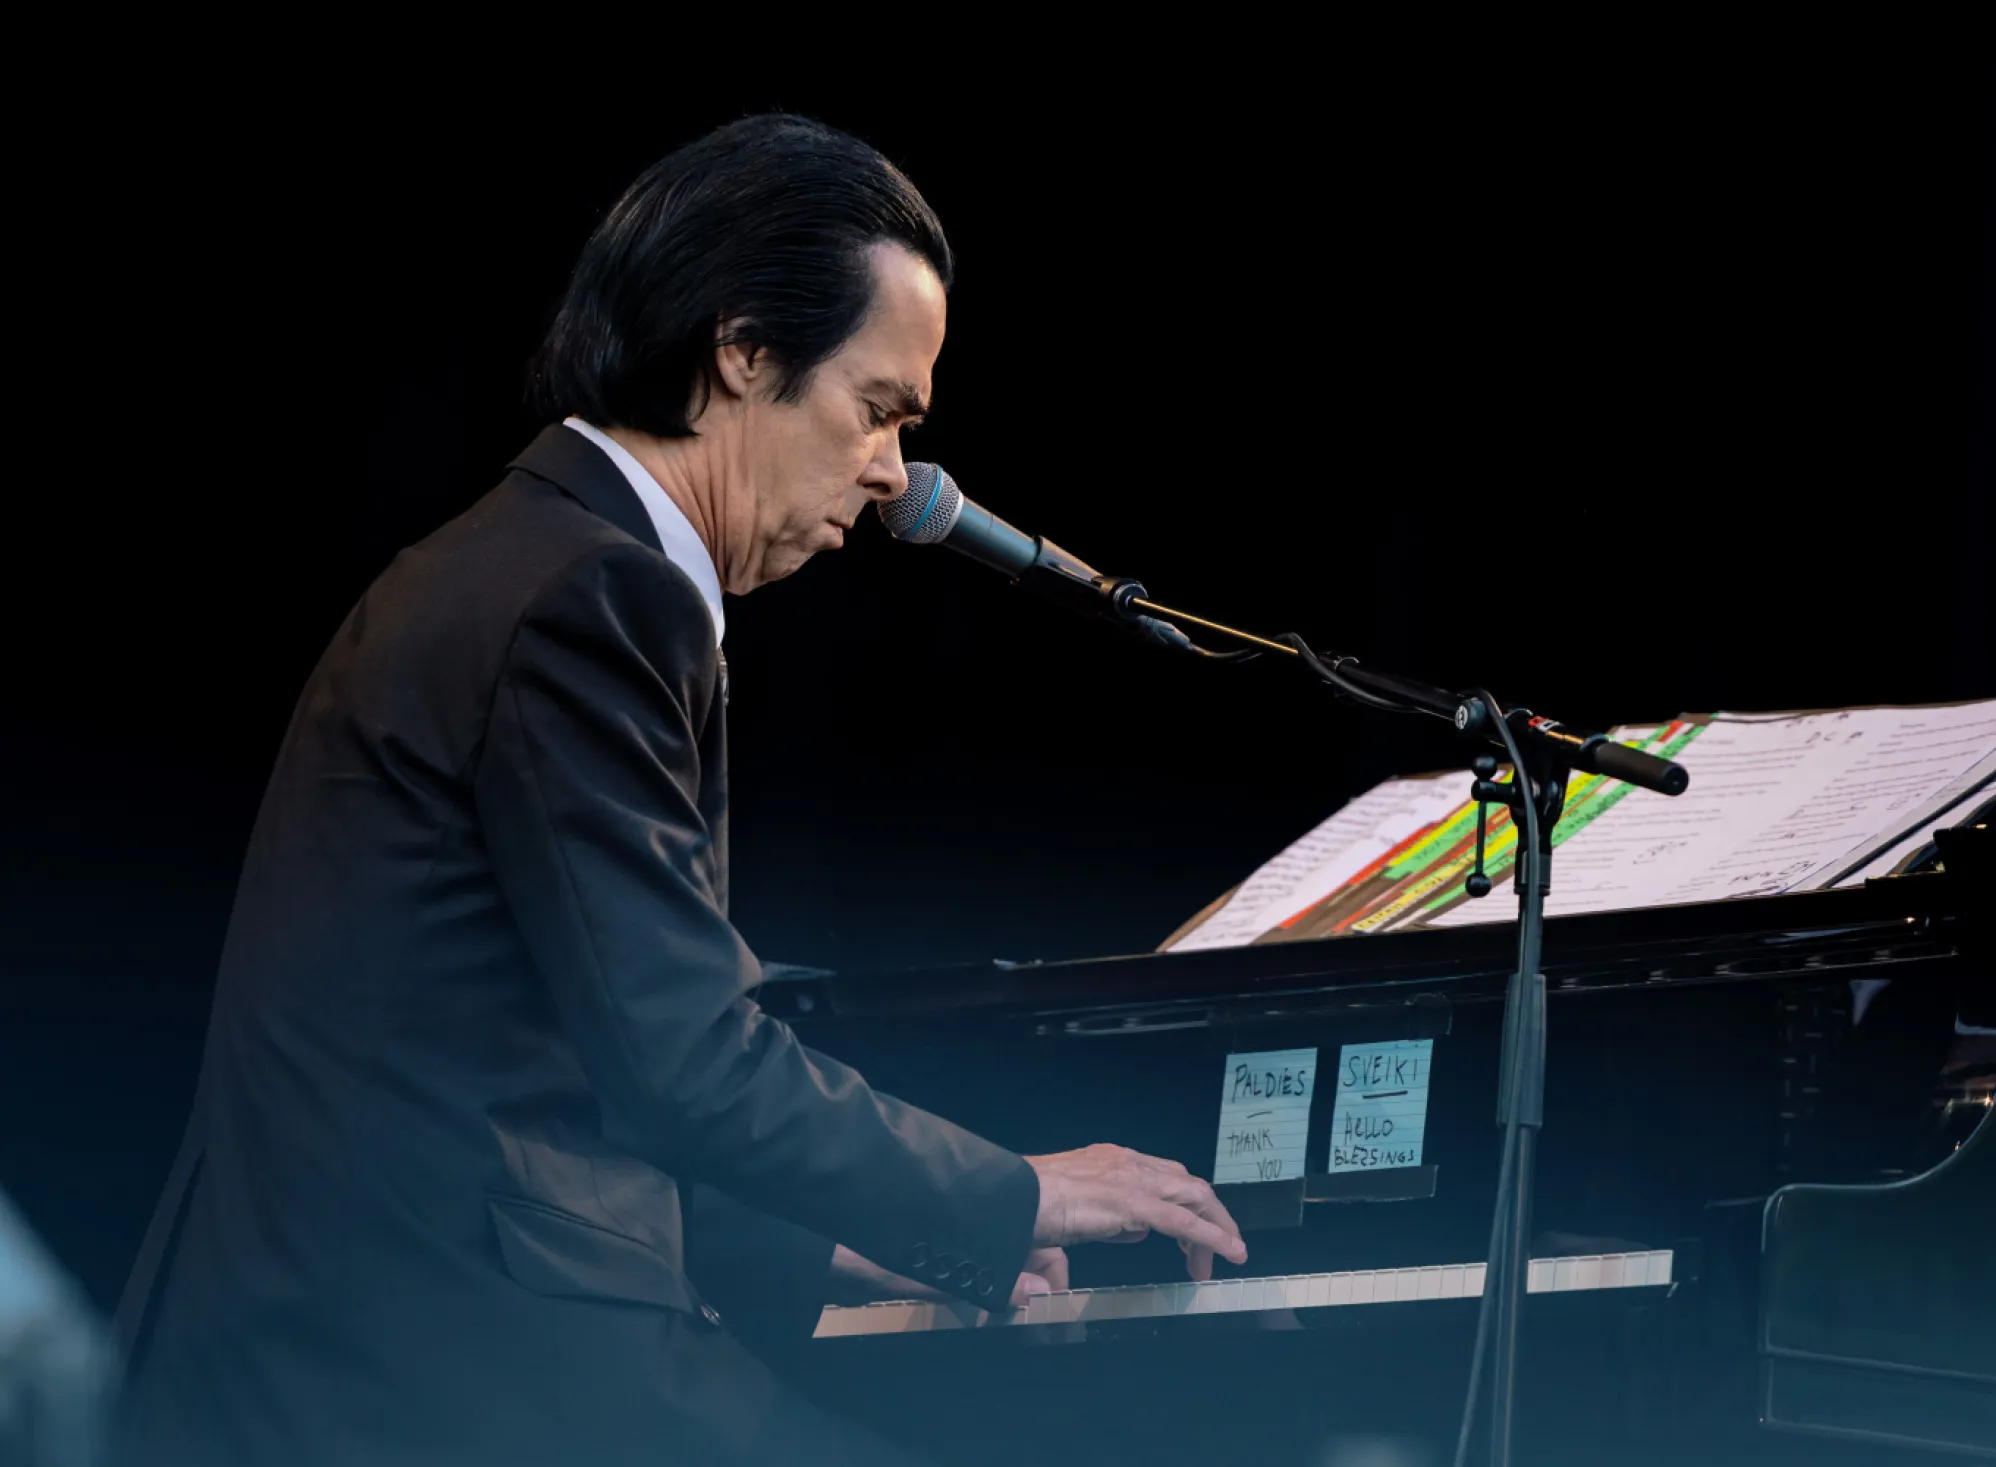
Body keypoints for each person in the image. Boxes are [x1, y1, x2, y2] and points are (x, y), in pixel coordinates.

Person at [111, 113, 1245, 1467]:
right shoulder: (591, 592)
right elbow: (683, 1058)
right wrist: (1020, 1193)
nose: (897, 475)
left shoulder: (528, 558)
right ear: (743, 350)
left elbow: (514, 1062)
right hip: (417, 1363)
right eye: (878, 410)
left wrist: (831, 1236)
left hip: (362, 1328)